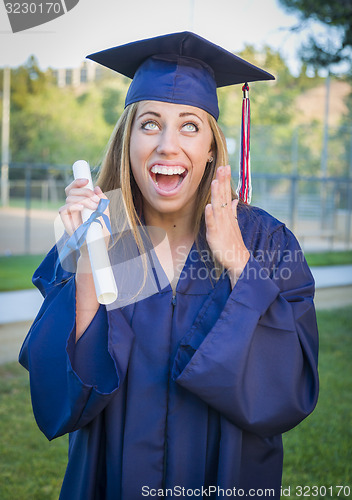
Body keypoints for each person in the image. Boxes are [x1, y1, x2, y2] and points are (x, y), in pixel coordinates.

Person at [19, 32, 319, 500]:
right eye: (151, 124)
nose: (167, 145)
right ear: (128, 140)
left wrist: (238, 260)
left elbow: (290, 385)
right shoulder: (101, 234)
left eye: (190, 126)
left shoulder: (266, 241)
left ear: (213, 149)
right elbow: (62, 399)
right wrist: (85, 260)